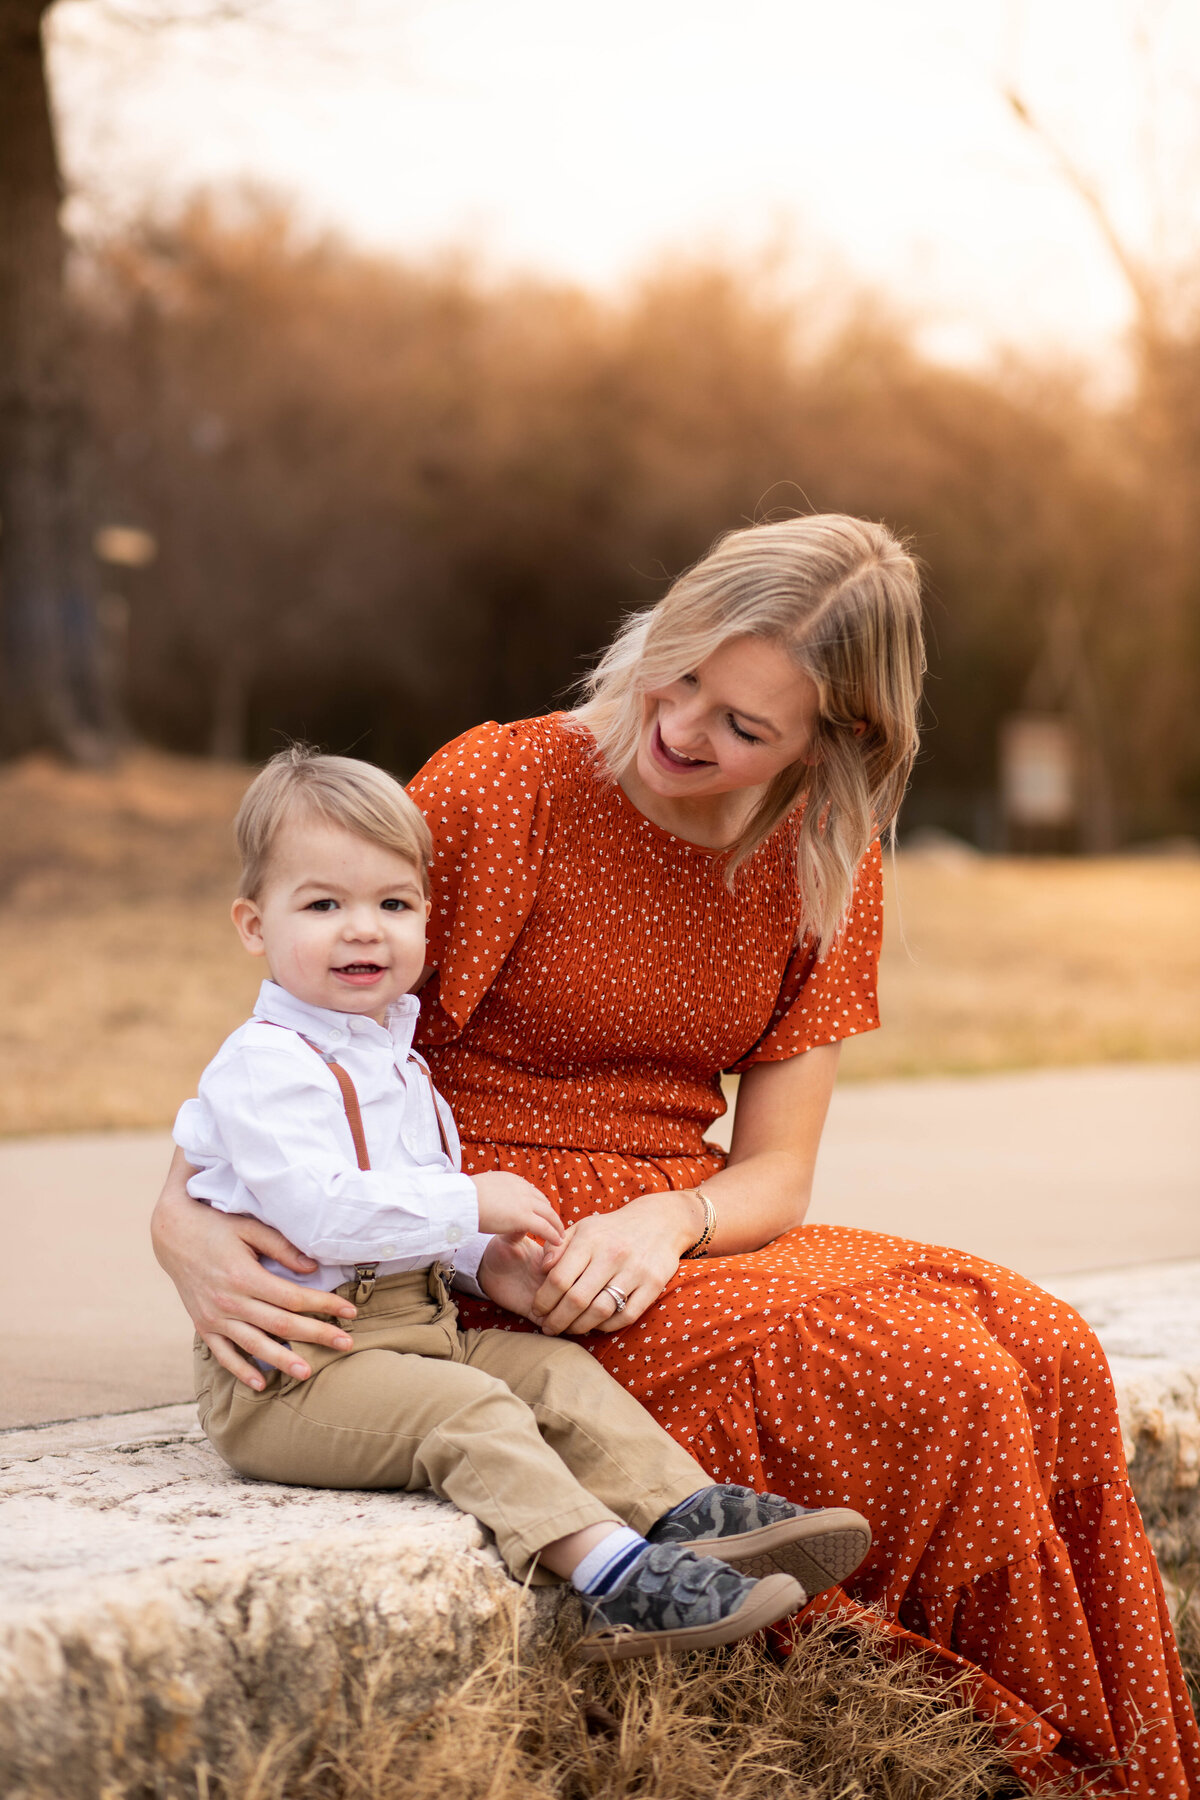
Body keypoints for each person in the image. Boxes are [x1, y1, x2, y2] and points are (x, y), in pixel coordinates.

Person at [154, 517, 1200, 1790]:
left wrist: (668, 1224)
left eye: (746, 725)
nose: (685, 725)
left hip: (665, 1241)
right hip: (493, 1245)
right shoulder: (505, 786)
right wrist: (181, 1226)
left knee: (1043, 1343)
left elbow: (776, 1175)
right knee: (944, 1381)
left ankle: (1126, 1765)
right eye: (682, 669)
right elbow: (302, 1034)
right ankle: (1002, 1753)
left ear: (839, 742)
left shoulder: (828, 859)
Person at [174, 745, 872, 1663]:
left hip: (410, 1328)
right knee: (470, 1414)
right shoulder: (264, 1067)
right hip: (295, 1374)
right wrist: (470, 1204)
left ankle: (689, 1514)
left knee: (554, 1373)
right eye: (323, 905)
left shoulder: (394, 1056)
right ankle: (616, 1578)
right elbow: (322, 1218)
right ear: (252, 925)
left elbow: (409, 1222)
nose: (363, 931)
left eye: (394, 905)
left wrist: (490, 1267)